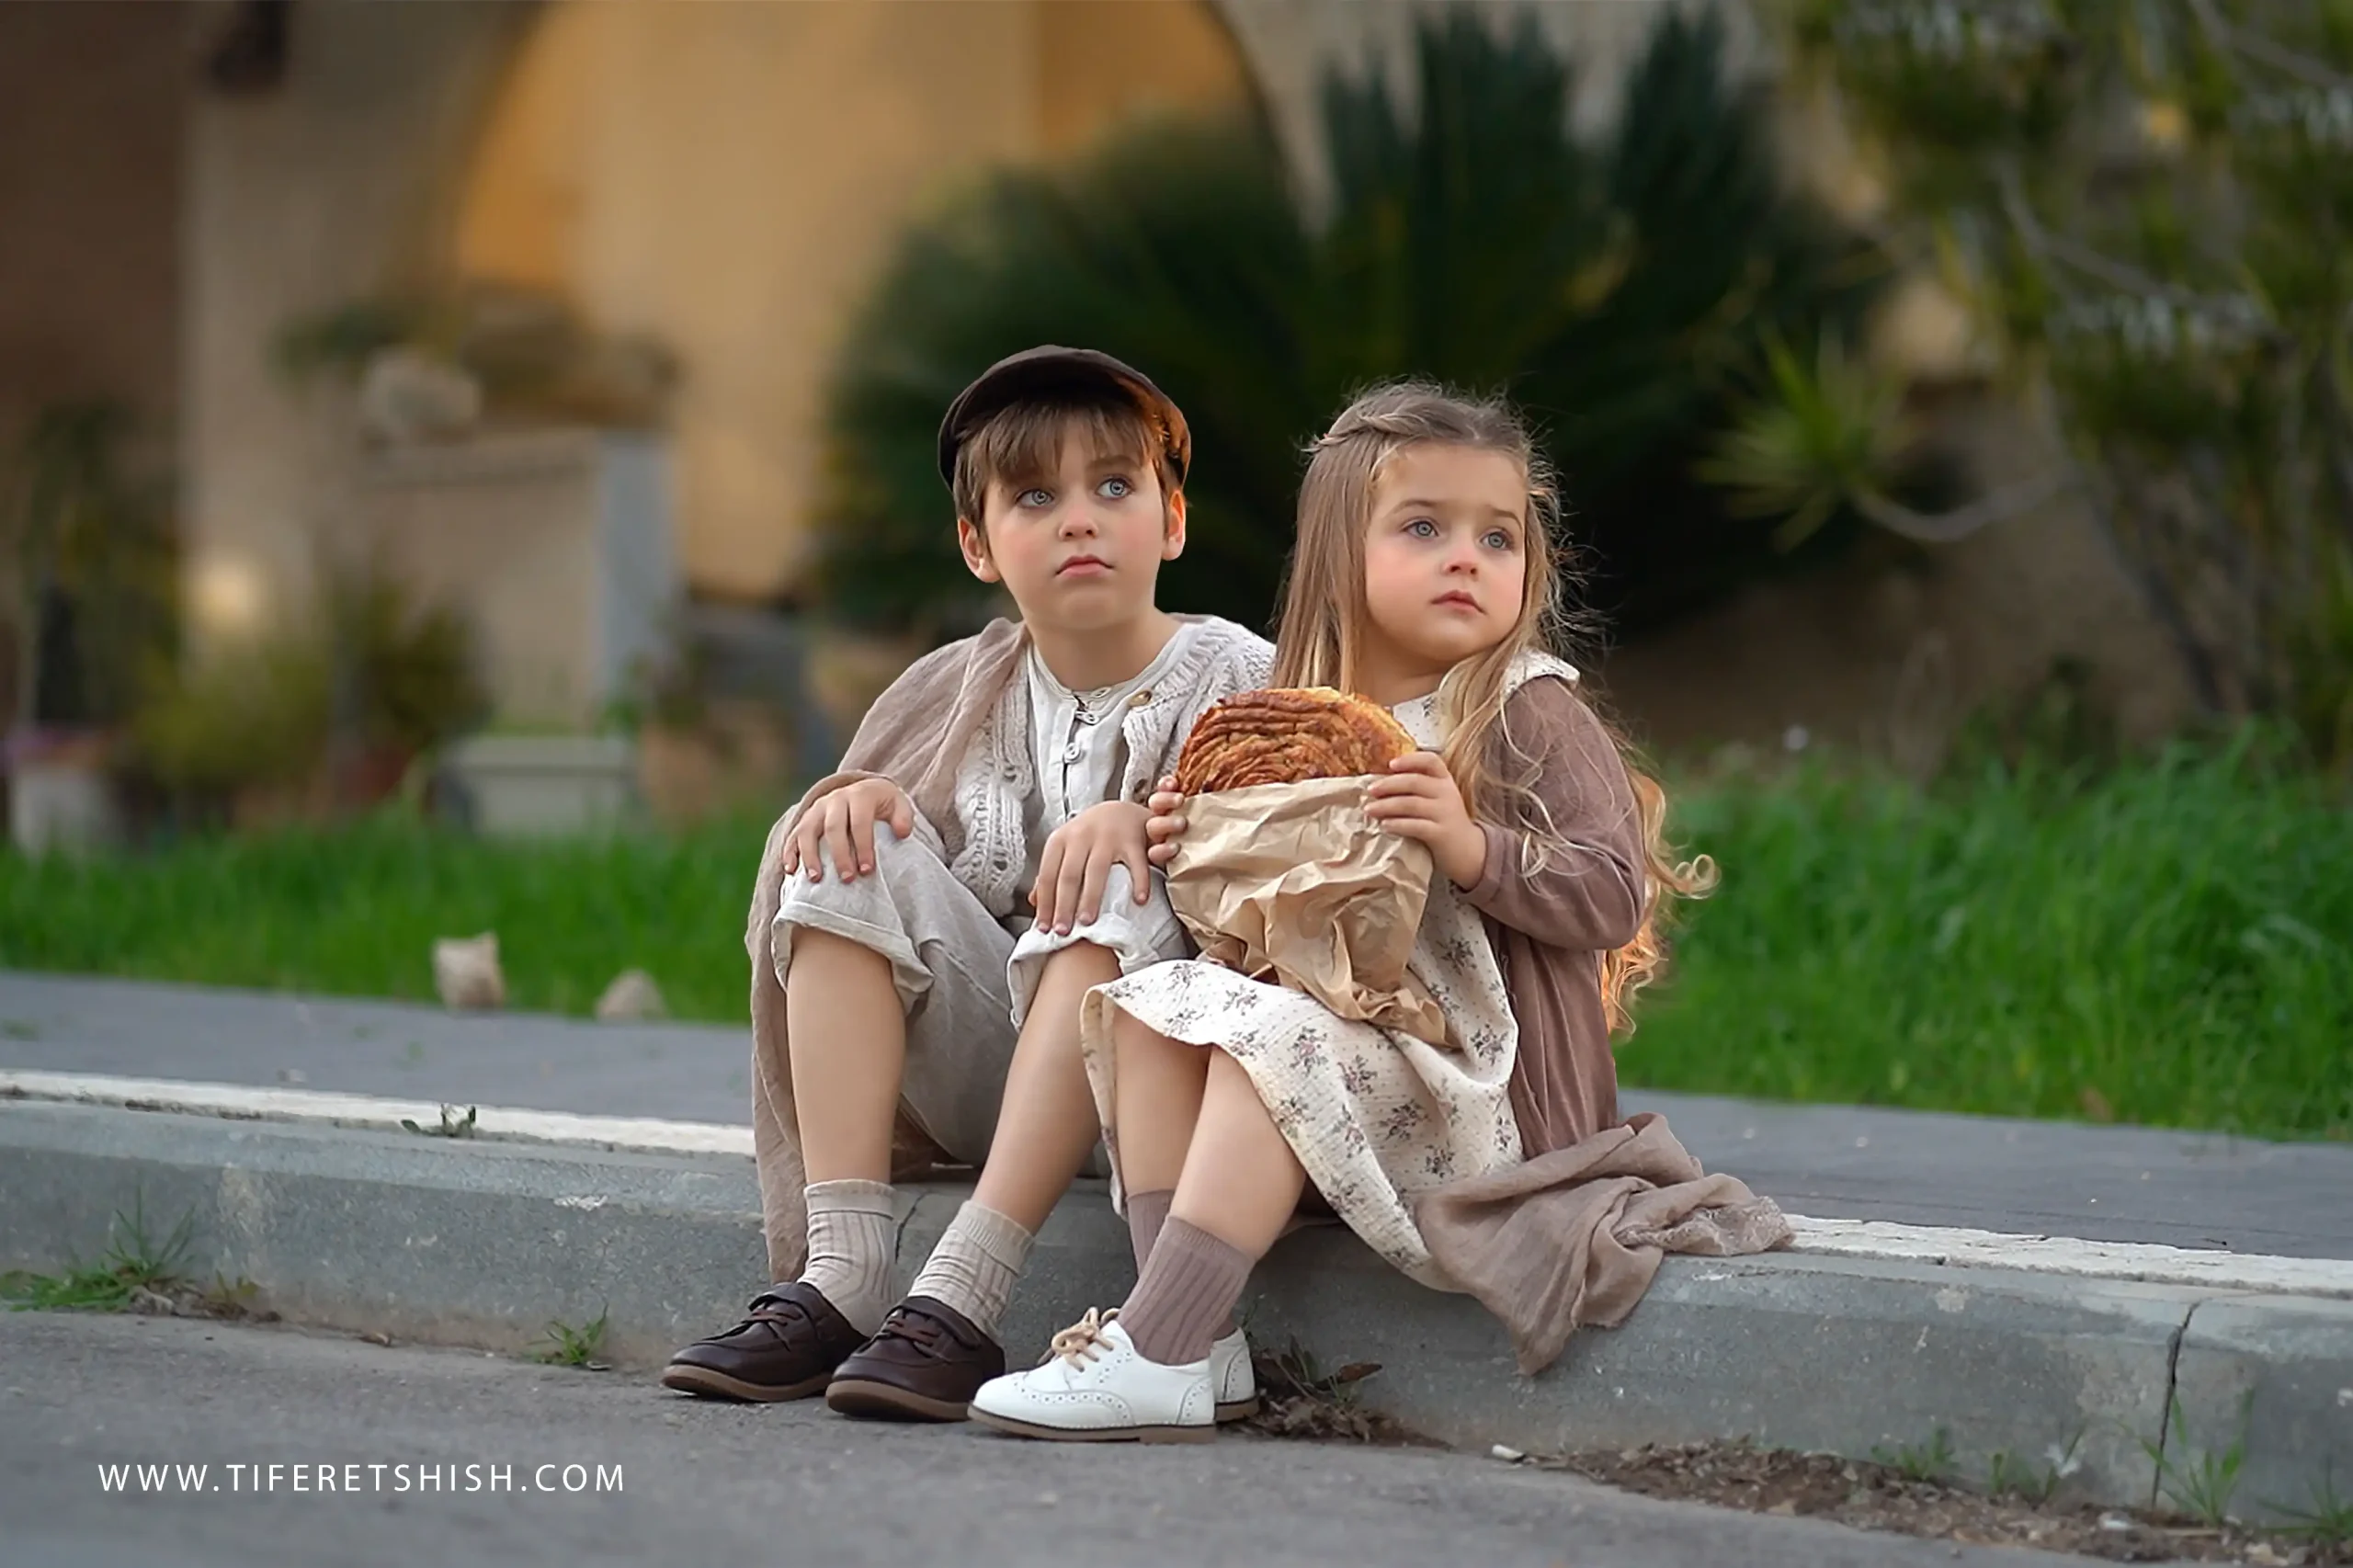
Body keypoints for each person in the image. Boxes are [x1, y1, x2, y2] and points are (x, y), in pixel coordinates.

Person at [969, 381, 1736, 1443]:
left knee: (1265, 1037)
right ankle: (1195, 1339)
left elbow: (1610, 893)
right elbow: (1262, 935)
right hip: (1350, 1071)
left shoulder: (1525, 708)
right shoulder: (1292, 720)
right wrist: (1196, 850)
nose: (1465, 555)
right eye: (1423, 527)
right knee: (1149, 1006)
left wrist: (1472, 847)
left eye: (1496, 536)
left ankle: (1152, 1346)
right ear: (1340, 549)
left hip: (1490, 1088)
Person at [660, 347, 1273, 1422]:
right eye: (1036, 496)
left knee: (1109, 872)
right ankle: (843, 1276)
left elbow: (1293, 889)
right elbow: (875, 867)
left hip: (1161, 1101)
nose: (1078, 518)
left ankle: (962, 1291)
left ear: (1173, 522)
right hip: (994, 1079)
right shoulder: (950, 687)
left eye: (1114, 487)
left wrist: (1150, 824)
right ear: (978, 544)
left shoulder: (1241, 678)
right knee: (839, 841)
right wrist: (847, 800)